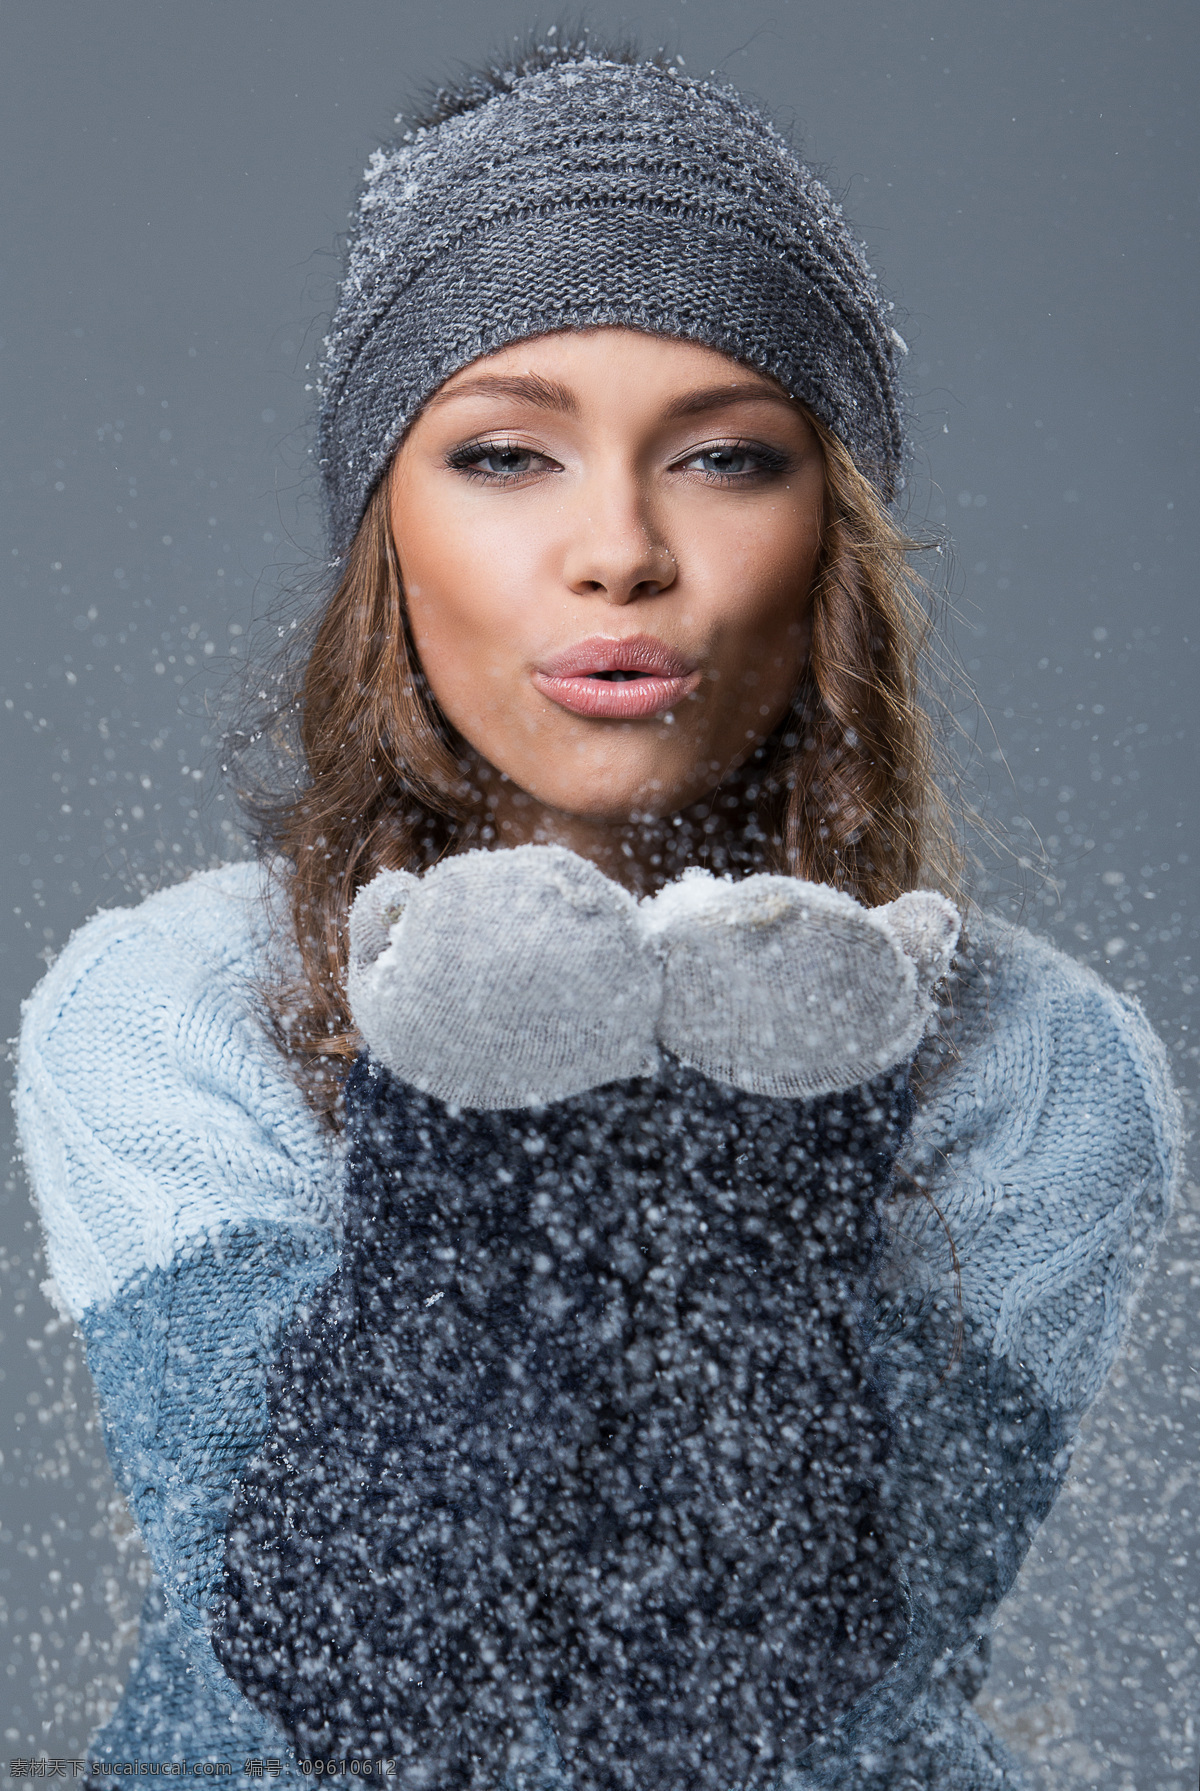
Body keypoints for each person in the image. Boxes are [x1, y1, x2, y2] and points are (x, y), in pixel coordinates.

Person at [15, 36, 1180, 1791]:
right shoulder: (169, 999)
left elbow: (760, 1694)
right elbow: (355, 1663)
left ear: (833, 541)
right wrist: (487, 1090)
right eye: (505, 455)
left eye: (722, 458)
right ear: (383, 536)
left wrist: (774, 1091)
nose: (619, 549)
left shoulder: (1044, 1061)